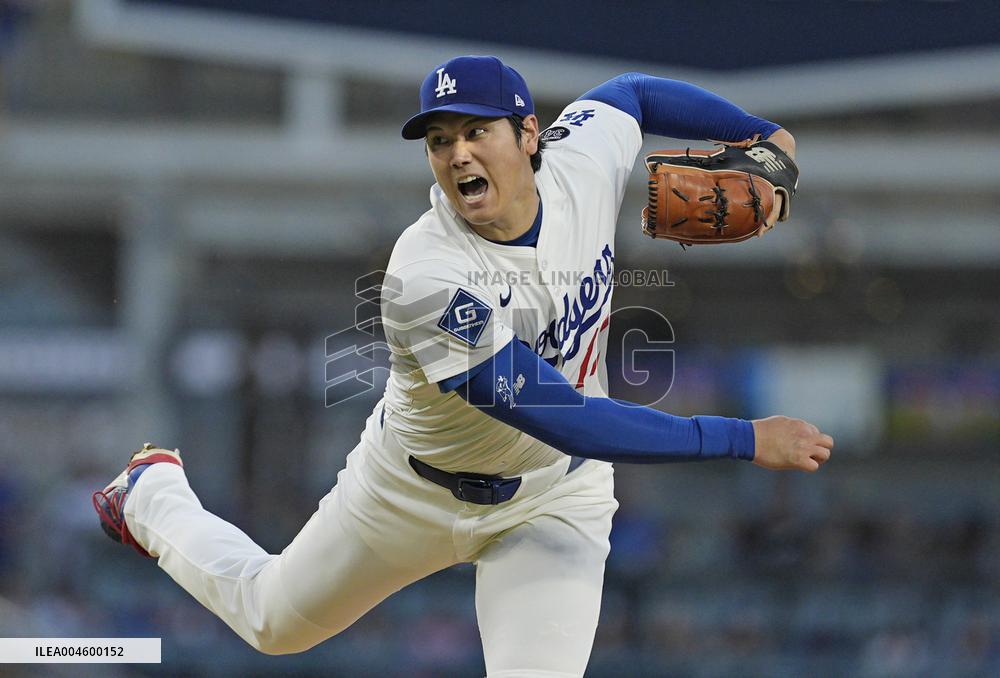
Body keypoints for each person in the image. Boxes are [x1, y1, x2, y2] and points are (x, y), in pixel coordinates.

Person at [93, 55, 833, 677]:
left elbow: (632, 94)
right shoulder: (426, 276)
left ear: (529, 135)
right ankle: (151, 492)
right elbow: (569, 417)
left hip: (550, 502)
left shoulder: (583, 162)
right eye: (439, 140)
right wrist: (740, 438)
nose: (458, 154)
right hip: (409, 493)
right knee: (272, 622)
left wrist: (763, 137)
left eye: (477, 131)